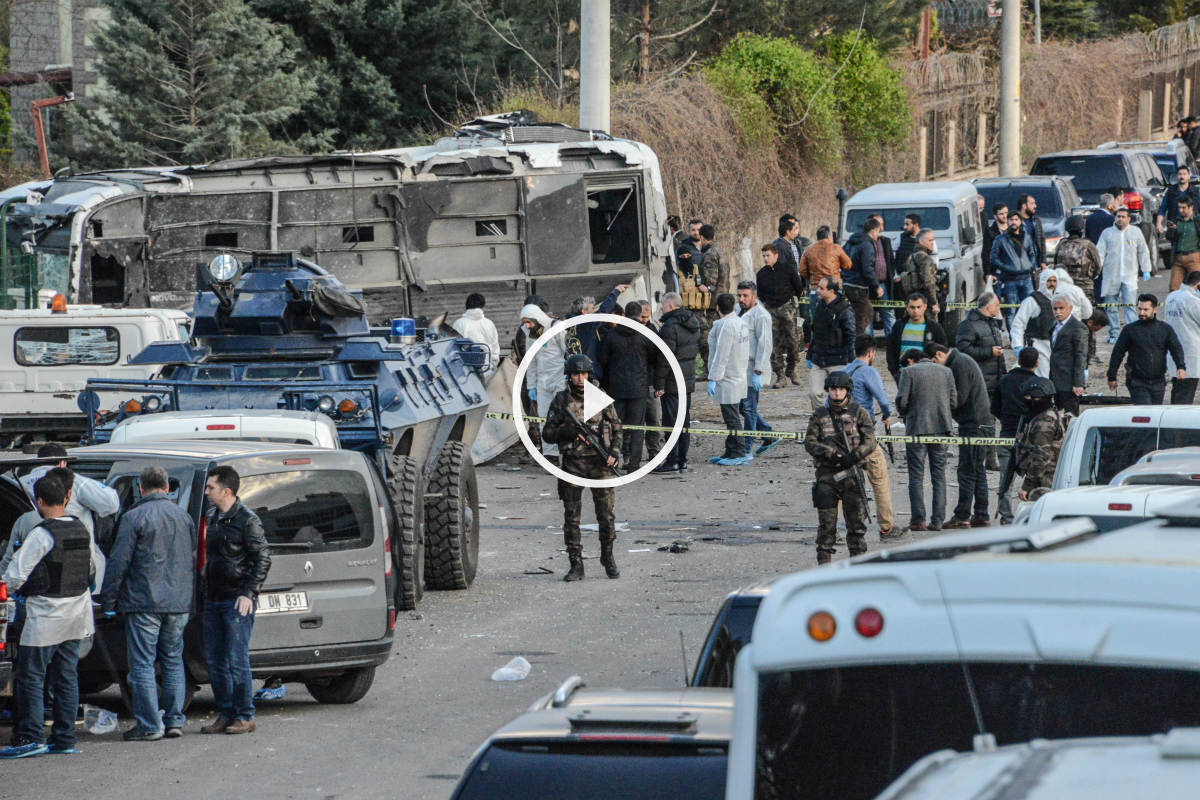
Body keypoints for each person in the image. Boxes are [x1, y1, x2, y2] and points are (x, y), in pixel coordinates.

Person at [0, 474, 96, 759]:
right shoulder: (81, 529)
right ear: (67, 497)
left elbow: (14, 576)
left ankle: (30, 737)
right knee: (67, 677)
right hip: (77, 616)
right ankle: (64, 738)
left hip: (45, 617)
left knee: (31, 677)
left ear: (39, 502)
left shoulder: (42, 534)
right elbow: (89, 571)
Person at [99, 466, 197, 741]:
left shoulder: (133, 517)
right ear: (167, 488)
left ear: (140, 489)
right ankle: (175, 720)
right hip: (178, 602)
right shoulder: (184, 517)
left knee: (142, 664)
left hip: (143, 602)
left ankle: (150, 725)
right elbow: (190, 558)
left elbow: (119, 562)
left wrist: (108, 599)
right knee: (173, 660)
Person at [199, 466, 271, 735]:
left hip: (235, 600)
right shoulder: (213, 515)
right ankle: (226, 713)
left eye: (211, 488)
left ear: (226, 491)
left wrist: (249, 592)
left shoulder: (247, 520)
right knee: (215, 660)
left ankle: (244, 715)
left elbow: (263, 558)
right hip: (214, 597)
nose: (207, 492)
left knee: (236, 659)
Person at [541, 354, 623, 581]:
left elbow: (617, 428)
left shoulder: (600, 398)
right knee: (572, 517)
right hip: (572, 466)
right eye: (576, 374)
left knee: (606, 516)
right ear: (569, 375)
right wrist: (562, 432)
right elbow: (546, 434)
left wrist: (615, 452)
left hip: (600, 467)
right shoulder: (561, 400)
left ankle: (608, 556)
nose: (580, 378)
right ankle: (576, 563)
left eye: (584, 374)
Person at [803, 371, 876, 564]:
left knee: (857, 529)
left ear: (847, 390)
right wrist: (830, 453)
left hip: (852, 475)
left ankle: (858, 570)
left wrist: (853, 456)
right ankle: (824, 571)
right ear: (828, 390)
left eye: (840, 389)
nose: (836, 393)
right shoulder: (819, 415)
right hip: (827, 477)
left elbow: (870, 441)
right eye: (833, 389)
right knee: (826, 528)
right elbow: (810, 443)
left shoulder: (859, 413)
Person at [928, 343, 991, 528]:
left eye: (934, 362)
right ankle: (981, 514)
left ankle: (962, 515)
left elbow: (959, 398)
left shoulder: (959, 365)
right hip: (979, 421)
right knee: (978, 471)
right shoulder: (961, 361)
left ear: (939, 354)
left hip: (974, 424)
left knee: (967, 471)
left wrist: (939, 404)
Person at [895, 348, 956, 533]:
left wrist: (906, 414)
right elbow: (954, 402)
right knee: (939, 476)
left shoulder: (908, 372)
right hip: (942, 428)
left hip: (917, 429)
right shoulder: (947, 371)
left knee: (916, 476)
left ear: (911, 360)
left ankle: (918, 520)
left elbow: (901, 401)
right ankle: (937, 521)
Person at [843, 335, 896, 539]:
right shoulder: (868, 371)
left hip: (843, 433)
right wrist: (888, 413)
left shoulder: (843, 371)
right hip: (864, 433)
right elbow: (882, 398)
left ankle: (839, 526)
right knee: (879, 479)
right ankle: (887, 526)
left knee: (844, 480)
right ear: (872, 352)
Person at [597, 301, 654, 471]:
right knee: (637, 428)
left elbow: (603, 359)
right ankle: (634, 464)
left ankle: (611, 461)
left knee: (613, 427)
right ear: (639, 315)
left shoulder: (612, 335)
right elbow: (654, 358)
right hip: (639, 388)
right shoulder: (645, 334)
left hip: (616, 388)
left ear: (624, 316)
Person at [955, 292, 1008, 471]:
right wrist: (988, 352)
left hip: (995, 381)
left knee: (992, 420)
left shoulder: (992, 324)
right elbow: (963, 351)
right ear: (987, 307)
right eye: (996, 305)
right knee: (983, 421)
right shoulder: (969, 325)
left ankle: (991, 457)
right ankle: (984, 457)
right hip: (980, 382)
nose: (999, 308)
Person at [1107, 294, 1187, 405]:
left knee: (1155, 416)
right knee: (1145, 413)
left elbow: (1176, 348)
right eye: (1139, 309)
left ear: (1155, 309)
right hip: (1137, 382)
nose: (1141, 313)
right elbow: (1117, 353)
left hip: (1159, 381)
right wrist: (1112, 376)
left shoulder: (1165, 329)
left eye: (1145, 309)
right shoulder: (1130, 330)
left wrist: (1181, 367)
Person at [653, 292, 700, 473]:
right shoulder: (692, 323)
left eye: (663, 306)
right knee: (684, 421)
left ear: (671, 306)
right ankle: (682, 460)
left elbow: (665, 359)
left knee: (671, 422)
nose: (662, 309)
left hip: (672, 382)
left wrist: (659, 384)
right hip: (686, 381)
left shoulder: (669, 327)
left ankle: (672, 460)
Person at [994, 347, 1039, 523]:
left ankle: (1006, 515)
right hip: (1030, 438)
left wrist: (1006, 420)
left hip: (1007, 434)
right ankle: (1034, 514)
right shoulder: (1038, 383)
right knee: (1035, 477)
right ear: (1037, 363)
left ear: (1018, 360)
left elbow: (994, 407)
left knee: (1005, 480)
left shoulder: (1005, 380)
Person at [706, 292, 751, 466]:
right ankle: (730, 450)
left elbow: (721, 354)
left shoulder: (726, 325)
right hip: (738, 375)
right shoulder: (740, 322)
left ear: (717, 307)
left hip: (728, 379)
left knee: (731, 418)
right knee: (732, 416)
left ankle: (738, 451)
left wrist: (713, 378)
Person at [520, 303, 568, 456]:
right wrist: (531, 386)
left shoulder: (557, 328)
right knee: (543, 418)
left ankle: (565, 451)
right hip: (542, 383)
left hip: (560, 380)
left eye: (529, 322)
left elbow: (568, 354)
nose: (527, 326)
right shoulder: (530, 335)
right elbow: (531, 362)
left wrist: (569, 380)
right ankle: (550, 454)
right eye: (525, 323)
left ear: (538, 318)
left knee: (563, 417)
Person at [756, 242, 805, 387]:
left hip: (787, 308)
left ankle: (792, 369)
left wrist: (792, 304)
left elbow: (798, 287)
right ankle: (780, 375)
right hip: (771, 310)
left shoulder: (787, 269)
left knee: (794, 341)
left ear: (776, 255)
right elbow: (760, 294)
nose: (766, 258)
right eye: (764, 256)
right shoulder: (761, 274)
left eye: (768, 255)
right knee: (773, 344)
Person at [1098, 207, 1151, 340]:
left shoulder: (1135, 232)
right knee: (1111, 306)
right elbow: (1100, 253)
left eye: (1123, 217)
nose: (1120, 219)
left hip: (1129, 276)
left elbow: (1143, 251)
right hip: (1111, 276)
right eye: (1118, 216)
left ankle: (1131, 335)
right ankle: (1114, 333)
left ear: (1129, 219)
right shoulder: (1107, 233)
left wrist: (1146, 269)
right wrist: (1096, 270)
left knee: (1130, 306)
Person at [737, 280, 776, 457]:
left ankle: (746, 448)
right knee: (742, 407)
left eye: (745, 296)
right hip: (741, 367)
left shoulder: (761, 315)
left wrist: (758, 372)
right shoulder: (740, 312)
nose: (741, 299)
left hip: (753, 368)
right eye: (739, 295)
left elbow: (765, 345)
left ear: (755, 296)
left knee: (749, 408)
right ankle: (768, 434)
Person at [808, 275, 857, 410]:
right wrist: (810, 355)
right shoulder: (819, 306)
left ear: (832, 291)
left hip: (838, 360)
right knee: (814, 393)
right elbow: (815, 332)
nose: (817, 290)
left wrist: (851, 360)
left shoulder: (845, 310)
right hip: (819, 360)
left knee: (839, 396)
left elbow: (851, 335)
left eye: (821, 288)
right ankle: (822, 419)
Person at [1015, 377, 1066, 502]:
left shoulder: (1044, 423)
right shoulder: (1049, 415)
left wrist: (1027, 486)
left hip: (1045, 481)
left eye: (1028, 397)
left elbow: (1040, 457)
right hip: (1048, 478)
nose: (1026, 401)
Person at [563, 284, 628, 380]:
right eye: (592, 309)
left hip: (575, 373)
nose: (594, 311)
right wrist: (616, 292)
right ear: (584, 312)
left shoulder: (571, 325)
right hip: (586, 373)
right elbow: (603, 311)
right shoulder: (585, 324)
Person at [990, 210, 1039, 327]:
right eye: (1011, 220)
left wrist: (1030, 265)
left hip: (1026, 278)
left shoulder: (1026, 237)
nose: (1013, 222)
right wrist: (1007, 268)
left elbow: (1032, 253)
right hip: (1009, 280)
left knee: (1029, 309)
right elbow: (993, 258)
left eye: (1016, 220)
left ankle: (1028, 336)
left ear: (1020, 222)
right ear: (1007, 221)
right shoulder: (1000, 239)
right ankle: (1014, 340)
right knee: (1011, 311)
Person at [885, 293, 947, 384]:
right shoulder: (899, 326)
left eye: (919, 307)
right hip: (903, 375)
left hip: (927, 375)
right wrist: (895, 372)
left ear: (925, 307)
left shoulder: (934, 328)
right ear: (907, 307)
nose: (916, 311)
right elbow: (890, 349)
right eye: (912, 307)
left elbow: (943, 351)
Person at [1009, 268, 1059, 379]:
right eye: (1049, 281)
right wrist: (1018, 346)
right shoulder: (1032, 301)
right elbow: (1018, 323)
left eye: (1054, 281)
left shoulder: (1058, 300)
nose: (1052, 284)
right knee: (1041, 378)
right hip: (1038, 347)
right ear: (1043, 282)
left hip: (1055, 347)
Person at [798, 225, 850, 322]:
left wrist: (812, 279)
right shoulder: (836, 248)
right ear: (830, 236)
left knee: (818, 321)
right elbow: (848, 265)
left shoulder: (809, 250)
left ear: (817, 237)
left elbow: (802, 270)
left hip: (815, 290)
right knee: (835, 321)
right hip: (833, 290)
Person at [696, 224, 730, 372]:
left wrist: (706, 287)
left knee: (710, 335)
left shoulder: (709, 254)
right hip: (724, 297)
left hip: (713, 301)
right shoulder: (721, 251)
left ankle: (711, 368)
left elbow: (712, 278)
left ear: (702, 238)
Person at [843, 217, 886, 334]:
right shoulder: (867, 245)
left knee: (851, 316)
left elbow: (842, 260)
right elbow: (867, 268)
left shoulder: (850, 242)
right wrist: (876, 286)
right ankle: (857, 346)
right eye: (878, 232)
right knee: (865, 315)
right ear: (873, 230)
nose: (878, 235)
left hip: (847, 283)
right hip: (859, 287)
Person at [1048, 293, 1088, 417]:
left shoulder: (1077, 328)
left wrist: (1078, 383)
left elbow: (1080, 356)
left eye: (1061, 308)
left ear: (1070, 308)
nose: (1058, 311)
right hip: (1055, 379)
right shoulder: (1054, 325)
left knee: (1070, 416)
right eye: (1055, 309)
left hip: (1069, 381)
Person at [1164, 270, 1200, 404]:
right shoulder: (1193, 301)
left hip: (1173, 352)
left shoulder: (1172, 296)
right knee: (1185, 395)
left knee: (1177, 391)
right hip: (1190, 354)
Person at [452, 293, 501, 379]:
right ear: (482, 305)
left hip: (465, 372)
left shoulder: (459, 323)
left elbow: (454, 348)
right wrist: (493, 365)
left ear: (467, 305)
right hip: (487, 370)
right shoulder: (489, 323)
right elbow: (495, 347)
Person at [637, 301, 663, 462]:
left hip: (650, 382)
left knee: (654, 420)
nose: (644, 320)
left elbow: (658, 359)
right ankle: (634, 455)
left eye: (647, 317)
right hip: (636, 383)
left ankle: (654, 452)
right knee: (635, 423)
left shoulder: (653, 331)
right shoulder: (630, 331)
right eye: (642, 317)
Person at [896, 229, 940, 315]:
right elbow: (928, 281)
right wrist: (934, 303)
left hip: (911, 301)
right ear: (921, 241)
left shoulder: (912, 256)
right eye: (930, 240)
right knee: (931, 327)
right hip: (924, 301)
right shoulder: (925, 258)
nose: (932, 243)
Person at [1055, 214, 1102, 288]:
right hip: (1084, 286)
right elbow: (1098, 267)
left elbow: (1056, 264)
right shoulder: (1089, 245)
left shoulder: (1061, 244)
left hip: (1064, 286)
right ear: (1082, 230)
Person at [1166, 193, 1200, 292]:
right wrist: (1172, 230)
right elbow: (1169, 237)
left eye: (1184, 208)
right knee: (1173, 288)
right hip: (1178, 258)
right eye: (1179, 207)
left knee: (1196, 287)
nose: (1181, 210)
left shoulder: (1197, 221)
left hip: (1194, 257)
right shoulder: (1177, 221)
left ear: (1191, 207)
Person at [1017, 193, 1047, 269]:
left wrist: (1043, 261)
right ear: (1024, 206)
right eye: (1032, 203)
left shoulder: (1036, 221)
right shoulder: (1015, 221)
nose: (1035, 206)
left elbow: (1042, 241)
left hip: (1036, 264)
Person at [982, 202, 1008, 279]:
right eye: (1001, 214)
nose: (1004, 216)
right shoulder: (990, 232)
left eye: (1006, 213)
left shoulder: (1015, 230)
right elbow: (986, 253)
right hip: (997, 273)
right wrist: (988, 273)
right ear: (995, 216)